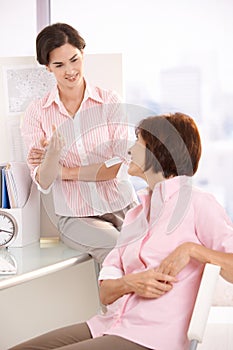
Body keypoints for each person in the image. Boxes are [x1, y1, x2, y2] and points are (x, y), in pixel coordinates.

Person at [11, 112, 233, 350]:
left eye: (138, 142)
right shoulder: (135, 217)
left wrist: (192, 250)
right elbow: (106, 293)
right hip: (109, 325)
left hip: (153, 338)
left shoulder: (197, 204)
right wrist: (132, 283)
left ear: (159, 151)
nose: (130, 150)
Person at [22, 23, 137, 264]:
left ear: (83, 53)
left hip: (123, 204)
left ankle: (133, 304)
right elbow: (43, 181)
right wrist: (52, 154)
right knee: (115, 251)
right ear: (47, 68)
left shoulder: (109, 101)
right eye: (59, 65)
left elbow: (117, 167)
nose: (70, 70)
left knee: (144, 254)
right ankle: (116, 303)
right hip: (76, 217)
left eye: (74, 59)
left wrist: (61, 171)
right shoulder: (37, 113)